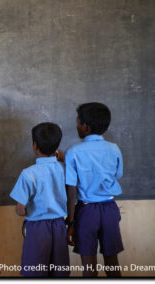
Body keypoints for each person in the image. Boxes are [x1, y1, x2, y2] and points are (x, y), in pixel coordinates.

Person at [65, 102, 123, 277]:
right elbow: (117, 174)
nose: (76, 125)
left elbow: (71, 189)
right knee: (112, 263)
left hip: (86, 211)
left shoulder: (73, 152)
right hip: (110, 209)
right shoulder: (114, 149)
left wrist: (70, 222)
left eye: (78, 122)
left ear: (86, 127)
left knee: (89, 268)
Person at [10, 122, 69, 277]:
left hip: (37, 228)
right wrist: (61, 155)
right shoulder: (65, 169)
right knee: (59, 272)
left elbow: (20, 208)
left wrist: (22, 212)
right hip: (59, 225)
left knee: (35, 272)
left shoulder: (28, 174)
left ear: (35, 146)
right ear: (57, 147)